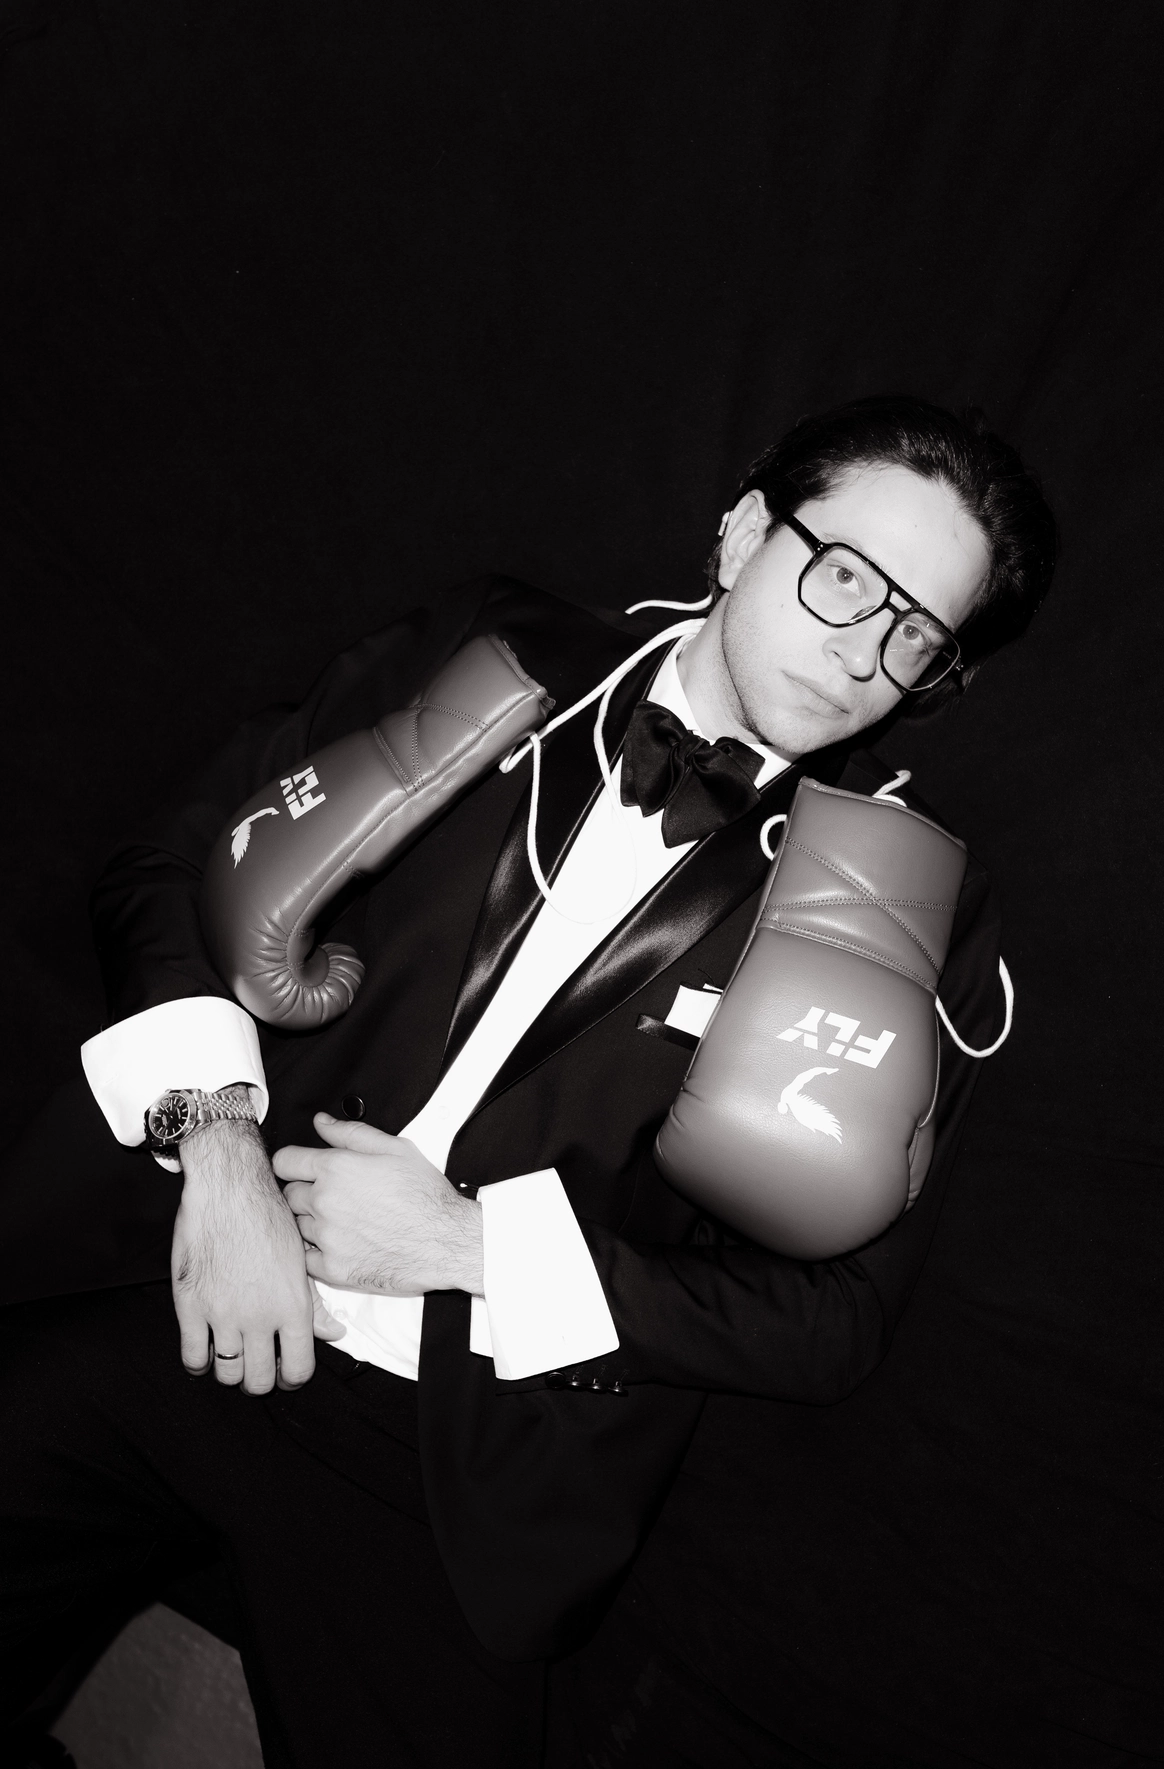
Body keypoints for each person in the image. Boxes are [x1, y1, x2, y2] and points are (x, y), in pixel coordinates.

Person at [0, 396, 1055, 1768]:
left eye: (919, 636)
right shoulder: (489, 648)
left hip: (458, 1467)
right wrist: (219, 1151)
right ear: (746, 533)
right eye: (847, 577)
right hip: (178, 1283)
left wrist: (471, 1248)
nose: (866, 653)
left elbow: (833, 1322)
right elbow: (169, 865)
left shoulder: (899, 904)